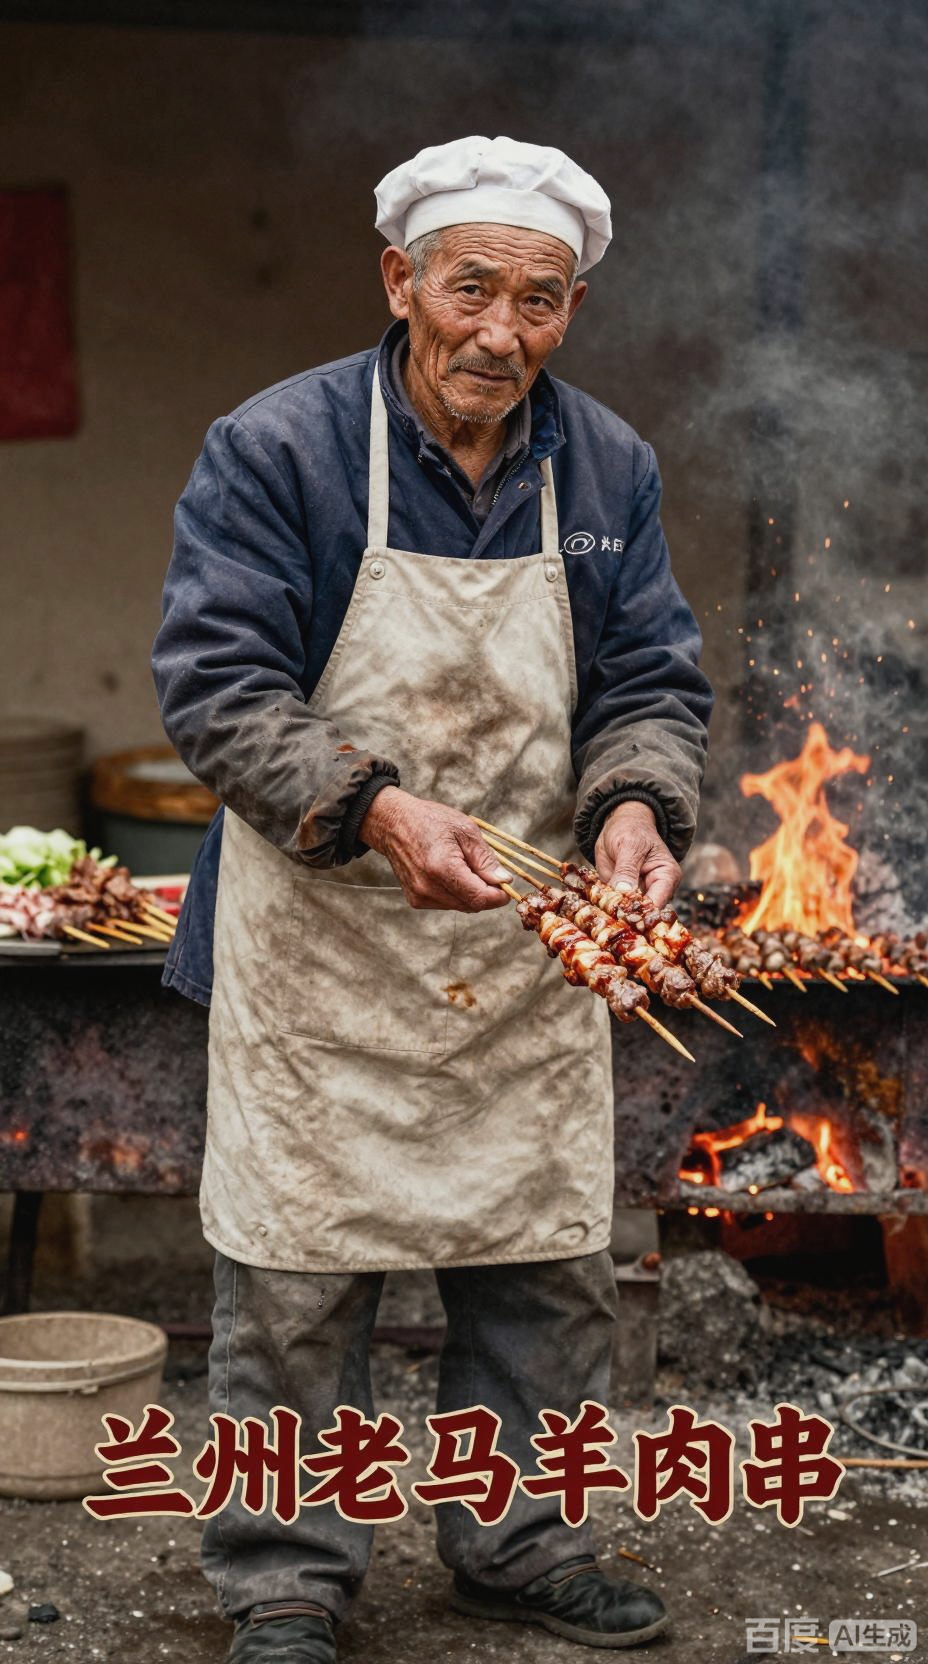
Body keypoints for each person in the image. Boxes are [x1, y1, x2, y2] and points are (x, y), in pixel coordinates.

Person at [152, 134, 713, 1662]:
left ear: (571, 309)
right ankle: (286, 1577)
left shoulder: (605, 465)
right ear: (400, 281)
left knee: (546, 1271)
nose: (500, 334)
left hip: (521, 943)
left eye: (542, 301)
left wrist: (637, 809)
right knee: (293, 1285)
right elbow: (215, 683)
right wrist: (375, 805)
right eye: (471, 289)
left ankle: (521, 1542)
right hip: (324, 937)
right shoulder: (277, 449)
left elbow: (652, 680)